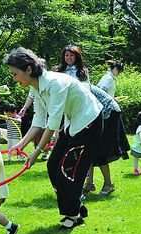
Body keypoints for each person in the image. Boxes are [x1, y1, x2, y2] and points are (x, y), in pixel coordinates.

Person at [5, 47, 103, 229]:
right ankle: (75, 207)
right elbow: (39, 120)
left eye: (15, 74)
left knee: (69, 170)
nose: (14, 78)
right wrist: (20, 144)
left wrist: (35, 153)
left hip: (89, 121)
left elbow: (52, 124)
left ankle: (73, 215)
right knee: (52, 165)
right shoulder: (36, 87)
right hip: (72, 122)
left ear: (28, 69)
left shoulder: (55, 83)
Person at [56, 45, 130, 196]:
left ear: (77, 57)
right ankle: (89, 184)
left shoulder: (81, 74)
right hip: (88, 112)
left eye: (72, 55)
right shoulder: (60, 75)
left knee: (99, 149)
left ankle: (108, 184)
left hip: (106, 111)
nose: (69, 58)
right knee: (86, 149)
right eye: (66, 56)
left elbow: (84, 97)